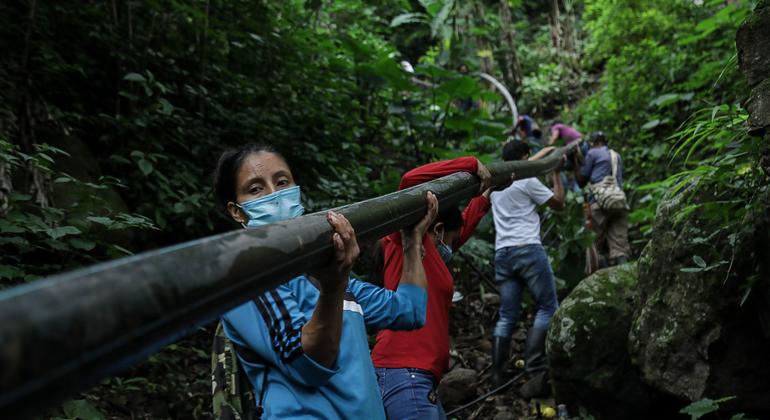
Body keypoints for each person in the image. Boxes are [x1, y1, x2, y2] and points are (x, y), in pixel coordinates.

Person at [213, 143, 438, 419]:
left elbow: (409, 311)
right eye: (256, 189)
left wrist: (412, 243)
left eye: (282, 182)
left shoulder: (323, 271)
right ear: (237, 211)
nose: (275, 195)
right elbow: (308, 364)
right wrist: (333, 287)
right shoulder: (247, 277)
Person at [371, 156, 492, 419]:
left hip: (416, 377)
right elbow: (409, 181)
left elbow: (461, 228)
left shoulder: (429, 256)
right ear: (437, 230)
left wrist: (485, 195)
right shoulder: (405, 242)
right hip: (404, 373)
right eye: (448, 239)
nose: (452, 246)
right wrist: (470, 164)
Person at [489, 140, 564, 398]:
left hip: (503, 252)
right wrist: (556, 172)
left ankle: (497, 374)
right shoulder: (527, 181)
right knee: (548, 306)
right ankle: (535, 369)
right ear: (523, 157)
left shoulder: (496, 183)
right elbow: (558, 203)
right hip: (528, 248)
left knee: (508, 314)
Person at [575, 131, 631, 267]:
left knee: (595, 245)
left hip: (598, 202)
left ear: (593, 143)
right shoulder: (616, 155)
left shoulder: (593, 153)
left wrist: (577, 162)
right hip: (618, 201)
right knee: (619, 247)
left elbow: (581, 180)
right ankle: (624, 277)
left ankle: (600, 281)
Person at [547, 121, 584, 193]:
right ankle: (578, 192)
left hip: (576, 146)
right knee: (575, 172)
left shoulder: (556, 127)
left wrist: (548, 146)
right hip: (580, 144)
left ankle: (567, 190)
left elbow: (554, 138)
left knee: (561, 169)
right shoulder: (565, 128)